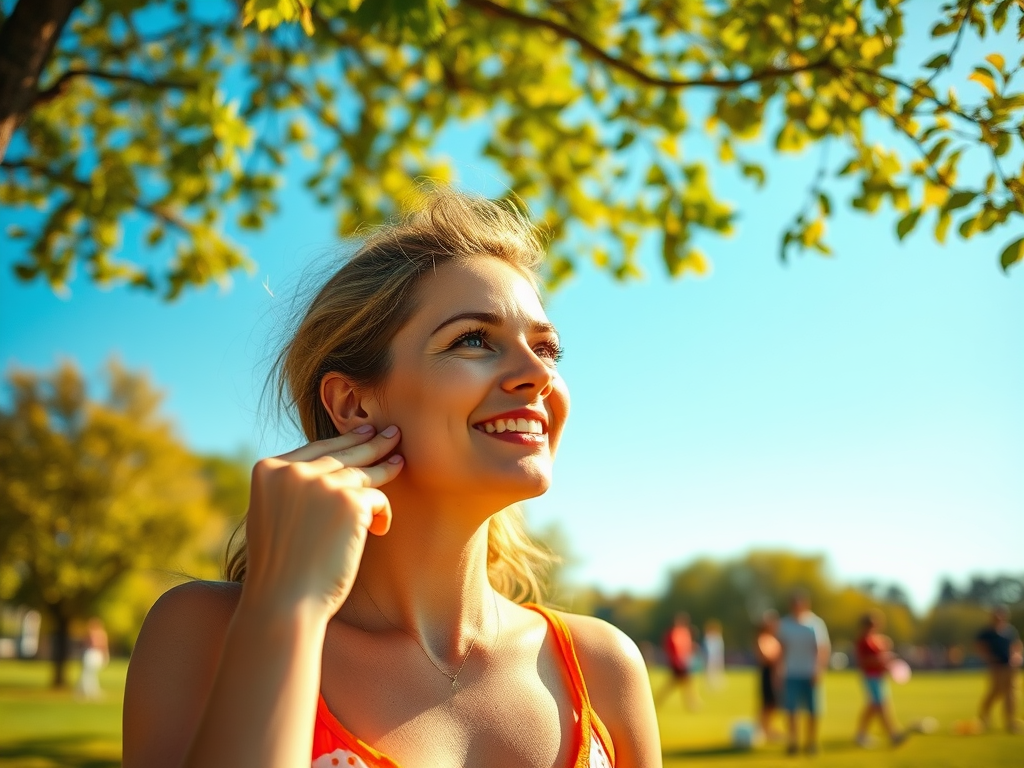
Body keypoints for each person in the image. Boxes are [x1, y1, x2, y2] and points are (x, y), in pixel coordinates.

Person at [122, 190, 662, 768]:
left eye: (547, 348)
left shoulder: (603, 665)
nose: (538, 376)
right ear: (353, 404)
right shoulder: (203, 633)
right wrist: (287, 608)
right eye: (473, 339)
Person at [777, 590, 830, 756]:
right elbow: (781, 649)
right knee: (791, 710)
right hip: (791, 672)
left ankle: (811, 742)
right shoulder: (785, 624)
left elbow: (822, 649)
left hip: (810, 672)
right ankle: (793, 742)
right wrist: (778, 670)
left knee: (813, 710)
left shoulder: (815, 623)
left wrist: (819, 670)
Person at [853, 610, 907, 748]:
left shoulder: (876, 639)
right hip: (871, 676)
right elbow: (864, 661)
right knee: (881, 705)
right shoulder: (863, 641)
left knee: (873, 706)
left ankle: (860, 734)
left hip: (879, 676)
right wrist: (880, 660)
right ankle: (893, 734)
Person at [976, 605, 1022, 733]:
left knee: (1011, 692)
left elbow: (1016, 646)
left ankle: (1010, 721)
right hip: (996, 666)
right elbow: (980, 648)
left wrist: (1016, 657)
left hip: (1009, 666)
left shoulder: (1009, 631)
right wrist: (989, 659)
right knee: (996, 691)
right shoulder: (987, 633)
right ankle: (984, 715)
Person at [656, 612, 699, 710]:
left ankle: (692, 703)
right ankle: (692, 704)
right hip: (678, 662)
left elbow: (686, 647)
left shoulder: (683, 632)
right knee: (683, 683)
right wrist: (676, 660)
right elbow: (673, 648)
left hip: (684, 661)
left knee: (682, 683)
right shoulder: (674, 633)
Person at [754, 610, 782, 741]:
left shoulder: (774, 639)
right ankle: (761, 729)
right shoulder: (762, 638)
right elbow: (766, 658)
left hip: (776, 673)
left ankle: (767, 728)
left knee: (773, 703)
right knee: (766, 703)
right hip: (767, 673)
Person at [76, 617, 109, 700]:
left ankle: (89, 690)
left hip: (94, 654)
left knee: (89, 674)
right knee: (87, 674)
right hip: (92, 654)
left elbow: (102, 646)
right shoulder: (94, 633)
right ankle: (87, 690)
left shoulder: (97, 634)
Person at [703, 618, 725, 690]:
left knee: (718, 670)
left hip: (717, 656)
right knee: (710, 671)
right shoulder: (708, 637)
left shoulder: (717, 637)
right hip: (710, 657)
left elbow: (720, 647)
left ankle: (717, 683)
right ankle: (710, 684)